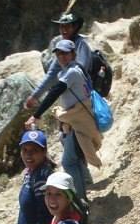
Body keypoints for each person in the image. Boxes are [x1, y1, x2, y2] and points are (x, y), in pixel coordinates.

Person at [25, 39, 102, 202]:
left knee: (69, 162)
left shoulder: (72, 72)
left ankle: (81, 201)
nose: (62, 56)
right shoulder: (76, 69)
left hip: (77, 122)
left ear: (73, 54)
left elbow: (55, 92)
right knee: (77, 157)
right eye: (59, 53)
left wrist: (36, 115)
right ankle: (86, 184)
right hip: (76, 121)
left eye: (65, 53)